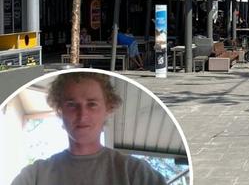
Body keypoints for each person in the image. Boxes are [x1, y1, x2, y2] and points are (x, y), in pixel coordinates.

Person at [11, 72, 166, 185]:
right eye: (72, 105)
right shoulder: (34, 176)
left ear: (108, 109)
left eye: (92, 104)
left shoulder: (135, 173)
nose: (82, 115)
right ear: (60, 111)